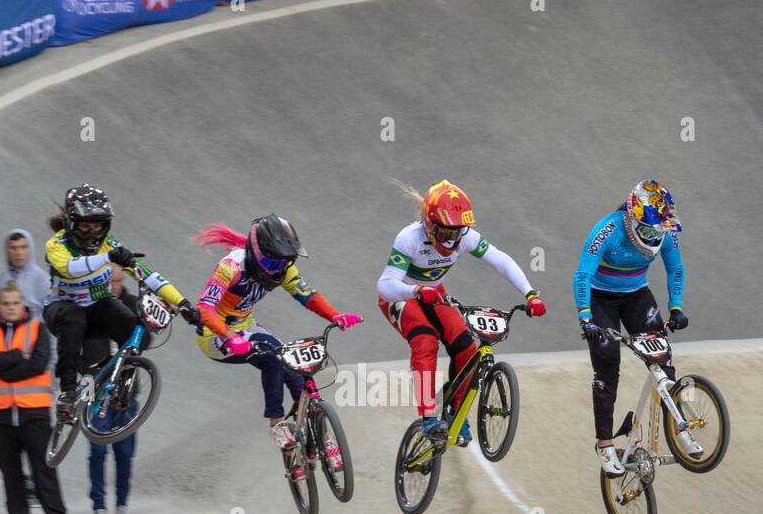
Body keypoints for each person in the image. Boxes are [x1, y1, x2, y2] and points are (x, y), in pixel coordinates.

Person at [377, 180, 545, 444]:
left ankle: (457, 412)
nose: (451, 240)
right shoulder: (408, 238)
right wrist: (415, 291)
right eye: (445, 233)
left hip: (433, 292)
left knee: (466, 347)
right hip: (402, 295)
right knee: (425, 341)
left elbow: (501, 261)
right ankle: (429, 416)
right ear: (429, 224)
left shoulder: (466, 236)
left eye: (456, 233)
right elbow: (385, 285)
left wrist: (530, 293)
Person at [191, 214, 362, 467]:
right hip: (215, 334)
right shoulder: (231, 267)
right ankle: (277, 423)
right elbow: (205, 307)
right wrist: (228, 336)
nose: (277, 269)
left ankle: (318, 432)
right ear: (257, 253)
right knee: (271, 359)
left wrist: (335, 316)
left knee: (294, 364)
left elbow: (307, 295)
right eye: (272, 262)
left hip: (246, 327)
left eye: (284, 262)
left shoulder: (283, 266)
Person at [43, 184, 194, 417]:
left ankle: (113, 375)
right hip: (61, 308)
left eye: (98, 225)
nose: (92, 232)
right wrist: (108, 258)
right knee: (74, 319)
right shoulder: (57, 244)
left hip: (97, 307)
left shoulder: (111, 245)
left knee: (138, 329)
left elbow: (150, 275)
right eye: (85, 225)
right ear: (72, 224)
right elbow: (70, 269)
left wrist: (183, 302)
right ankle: (68, 390)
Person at [574, 180, 688, 475]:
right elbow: (582, 275)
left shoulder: (664, 231)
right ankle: (605, 444)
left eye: (659, 230)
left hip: (636, 295)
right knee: (608, 366)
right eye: (650, 230)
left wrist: (676, 307)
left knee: (662, 359)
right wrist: (586, 318)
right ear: (633, 219)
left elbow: (675, 268)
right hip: (601, 300)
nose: (655, 236)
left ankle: (679, 427)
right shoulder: (607, 231)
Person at [0, 282, 75, 514]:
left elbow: (39, 364)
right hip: (0, 419)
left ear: (23, 305)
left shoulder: (37, 329)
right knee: (11, 475)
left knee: (45, 472)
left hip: (35, 415)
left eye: (15, 303)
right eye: (6, 303)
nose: (11, 307)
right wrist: (18, 355)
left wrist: (6, 370)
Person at [84, 267, 140, 514]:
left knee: (125, 453)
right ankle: (99, 508)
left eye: (118, 282)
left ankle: (122, 506)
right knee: (97, 452)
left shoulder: (132, 305)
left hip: (126, 392)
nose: (114, 287)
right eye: (109, 283)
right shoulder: (89, 306)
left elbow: (145, 341)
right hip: (97, 391)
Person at [0, 228, 49, 317]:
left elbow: (52, 315)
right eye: (13, 248)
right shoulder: (3, 279)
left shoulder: (42, 279)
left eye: (23, 247)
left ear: (30, 249)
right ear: (7, 251)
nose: (19, 253)